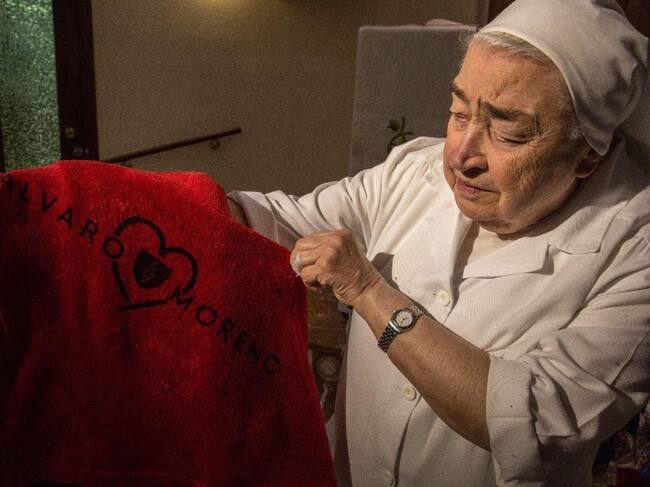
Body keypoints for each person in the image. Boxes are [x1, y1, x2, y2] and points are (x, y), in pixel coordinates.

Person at [228, 0, 650, 485]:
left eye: (509, 133)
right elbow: (278, 220)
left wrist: (369, 292)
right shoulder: (416, 171)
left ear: (587, 156)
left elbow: (536, 419)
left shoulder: (635, 249)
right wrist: (163, 203)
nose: (461, 155)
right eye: (458, 113)